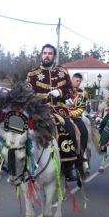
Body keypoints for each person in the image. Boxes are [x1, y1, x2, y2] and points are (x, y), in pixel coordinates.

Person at [26, 43, 78, 181]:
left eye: (50, 53)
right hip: (39, 111)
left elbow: (70, 90)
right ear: (41, 55)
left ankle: (70, 166)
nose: (46, 56)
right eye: (44, 53)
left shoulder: (63, 71)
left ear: (54, 56)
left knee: (70, 131)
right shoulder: (33, 74)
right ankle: (18, 164)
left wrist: (60, 92)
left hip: (58, 109)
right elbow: (27, 93)